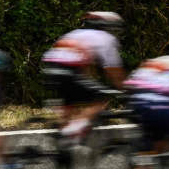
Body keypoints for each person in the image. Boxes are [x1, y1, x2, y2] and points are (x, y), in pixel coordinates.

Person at [40, 11, 125, 153]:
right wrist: (123, 90)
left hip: (51, 68)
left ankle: (62, 147)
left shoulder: (74, 33)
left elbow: (84, 72)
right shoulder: (106, 38)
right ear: (107, 27)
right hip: (69, 71)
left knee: (70, 103)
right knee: (100, 99)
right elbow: (113, 71)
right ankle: (66, 136)